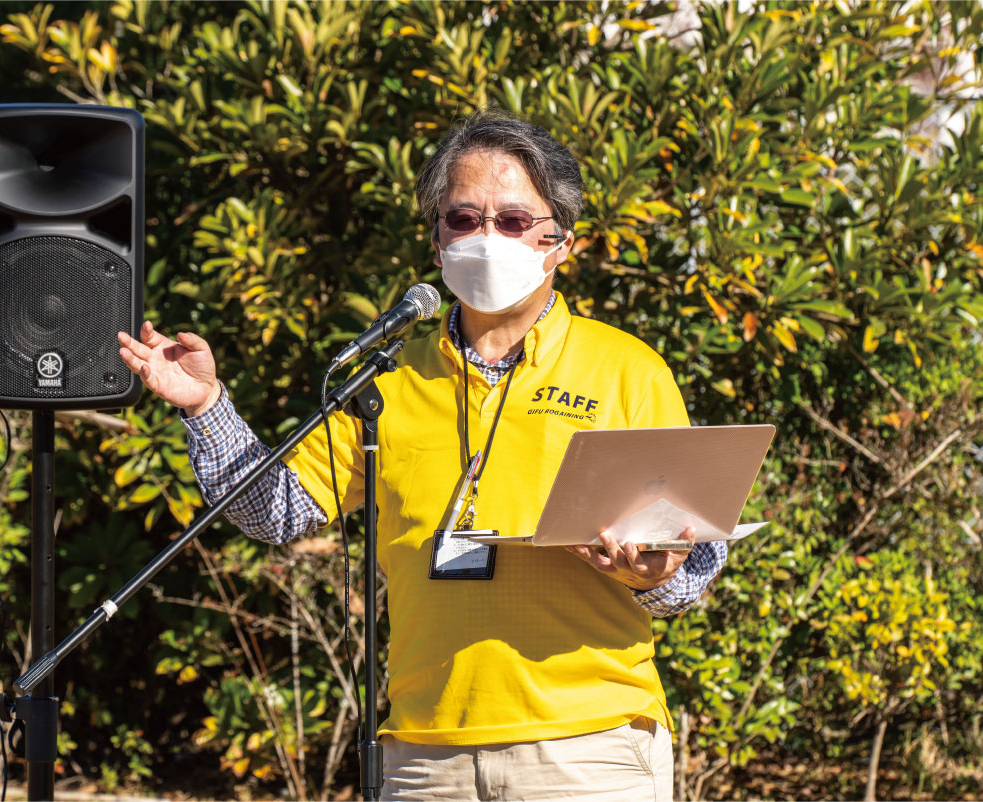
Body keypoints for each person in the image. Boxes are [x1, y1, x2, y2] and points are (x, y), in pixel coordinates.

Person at [118, 110, 725, 801]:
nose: (486, 237)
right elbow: (278, 510)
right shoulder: (385, 379)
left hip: (587, 751)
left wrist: (650, 575)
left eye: (513, 220)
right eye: (463, 219)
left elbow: (689, 577)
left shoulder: (628, 372)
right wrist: (204, 407)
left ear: (562, 242)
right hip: (421, 759)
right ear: (436, 243)